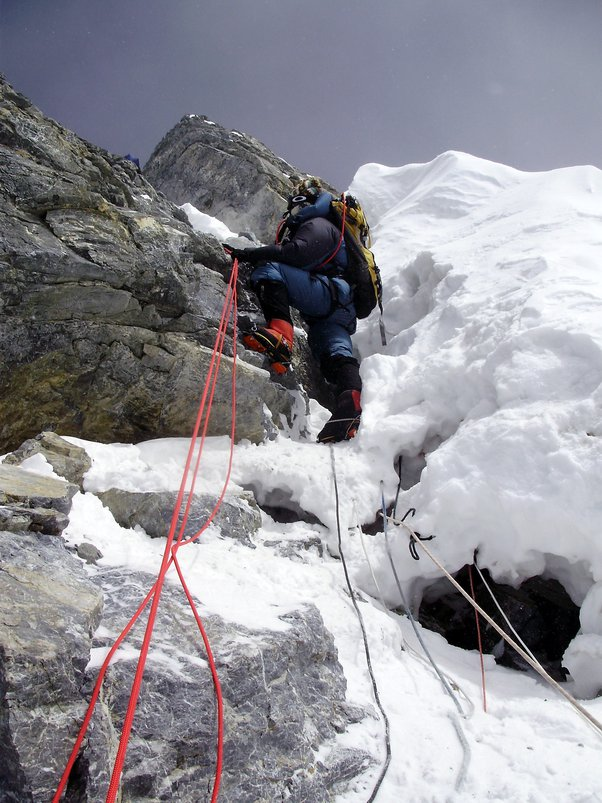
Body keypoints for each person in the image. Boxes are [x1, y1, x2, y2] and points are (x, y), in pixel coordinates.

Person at [225, 178, 362, 443]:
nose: (292, 213)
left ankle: (280, 336)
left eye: (296, 205)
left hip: (328, 295)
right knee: (334, 355)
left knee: (269, 264)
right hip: (337, 308)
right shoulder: (329, 227)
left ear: (306, 203)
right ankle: (349, 405)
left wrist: (252, 254)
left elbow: (297, 253)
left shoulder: (318, 223)